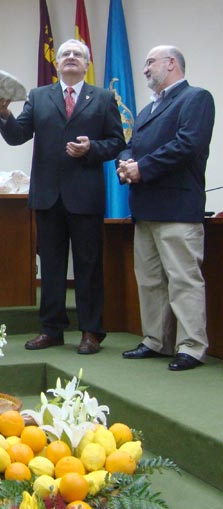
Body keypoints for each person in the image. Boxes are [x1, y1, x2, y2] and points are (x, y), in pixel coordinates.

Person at [0, 39, 125, 355]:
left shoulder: (103, 98)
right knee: (50, 266)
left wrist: (91, 148)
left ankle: (92, 331)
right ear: (57, 63)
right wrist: (5, 114)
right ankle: (51, 329)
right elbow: (16, 136)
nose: (71, 58)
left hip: (86, 196)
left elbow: (117, 142)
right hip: (48, 196)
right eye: (65, 54)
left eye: (77, 54)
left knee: (88, 266)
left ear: (86, 63)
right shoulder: (39, 97)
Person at [118, 46, 215, 371]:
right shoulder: (147, 111)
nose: (145, 69)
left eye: (150, 62)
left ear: (171, 63)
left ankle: (191, 346)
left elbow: (188, 144)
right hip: (145, 208)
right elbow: (131, 144)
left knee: (183, 279)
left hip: (177, 209)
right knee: (149, 279)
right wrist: (124, 163)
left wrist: (141, 168)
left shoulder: (196, 98)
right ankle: (156, 341)